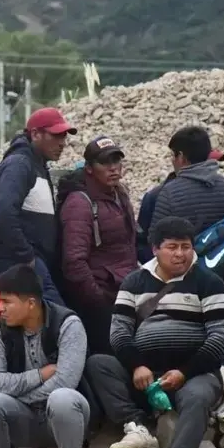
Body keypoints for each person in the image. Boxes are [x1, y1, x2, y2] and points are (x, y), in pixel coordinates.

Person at [86, 216, 224, 448]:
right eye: (172, 247)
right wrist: (136, 365)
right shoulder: (134, 282)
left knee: (197, 397)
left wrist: (184, 372)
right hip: (145, 376)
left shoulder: (210, 283)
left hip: (193, 374)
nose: (180, 254)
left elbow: (220, 340)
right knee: (98, 365)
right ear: (155, 249)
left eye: (186, 247)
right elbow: (119, 332)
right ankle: (139, 426)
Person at [0, 264, 90, 448]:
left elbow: (65, 381)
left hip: (65, 419)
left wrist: (21, 396)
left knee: (61, 397)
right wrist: (39, 375)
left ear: (30, 303)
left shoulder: (67, 324)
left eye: (6, 302)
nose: (0, 308)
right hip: (24, 419)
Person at [59, 136, 139, 356]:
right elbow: (74, 262)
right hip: (102, 303)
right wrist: (99, 302)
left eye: (116, 161)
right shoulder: (79, 203)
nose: (113, 168)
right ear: (89, 169)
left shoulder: (119, 194)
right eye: (105, 163)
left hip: (126, 295)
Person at [0, 107, 74, 304]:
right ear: (36, 134)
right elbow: (3, 213)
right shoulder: (20, 164)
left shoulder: (38, 165)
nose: (62, 143)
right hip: (18, 265)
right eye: (56, 136)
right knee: (59, 320)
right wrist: (26, 256)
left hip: (31, 264)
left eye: (64, 136)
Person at [152, 125, 224, 236]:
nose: (172, 161)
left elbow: (156, 238)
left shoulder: (168, 194)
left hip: (185, 253)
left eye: (173, 155)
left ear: (181, 156)